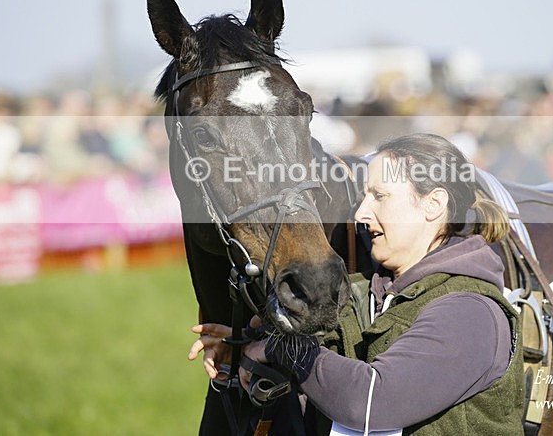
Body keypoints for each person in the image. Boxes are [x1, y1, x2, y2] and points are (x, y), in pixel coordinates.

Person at [191, 133, 524, 435]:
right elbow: (331, 363)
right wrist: (247, 342)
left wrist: (283, 349)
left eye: (379, 196)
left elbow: (369, 402)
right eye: (365, 196)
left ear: (433, 204)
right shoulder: (370, 292)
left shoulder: (469, 312)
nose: (362, 213)